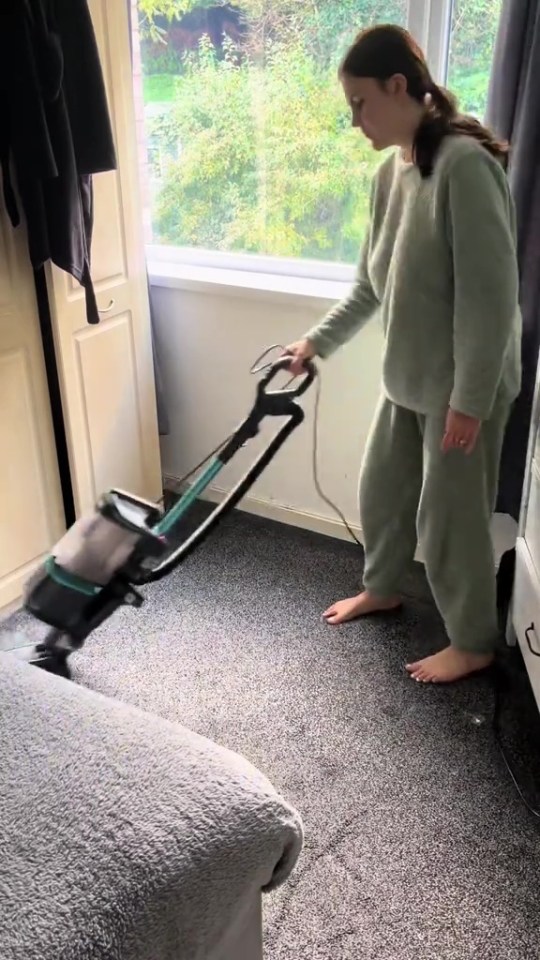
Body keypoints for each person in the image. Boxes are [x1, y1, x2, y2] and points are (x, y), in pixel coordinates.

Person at [285, 24, 522, 684]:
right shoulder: (391, 174)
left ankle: (472, 641)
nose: (354, 119)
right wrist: (314, 343)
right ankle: (383, 586)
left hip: (462, 389)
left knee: (450, 522)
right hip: (409, 378)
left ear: (398, 87)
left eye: (360, 103)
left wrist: (469, 402)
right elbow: (369, 284)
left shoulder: (465, 168)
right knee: (382, 491)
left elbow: (491, 300)